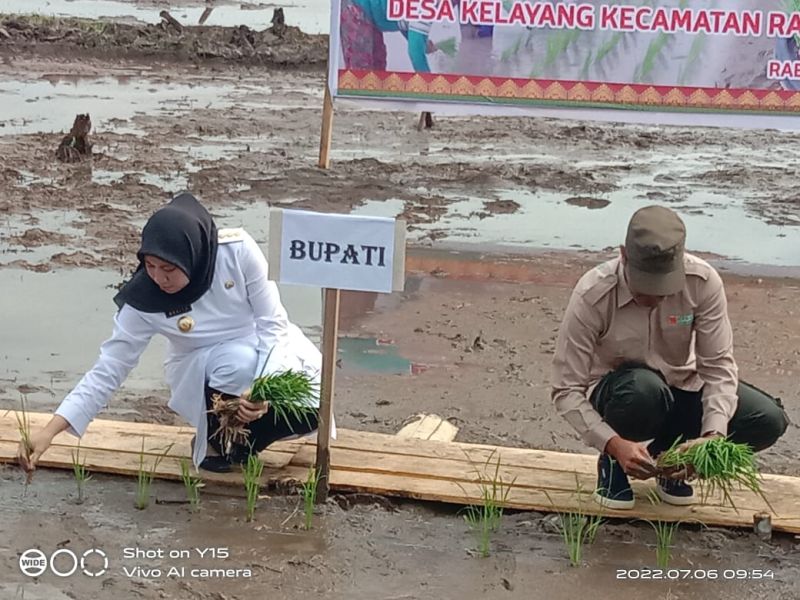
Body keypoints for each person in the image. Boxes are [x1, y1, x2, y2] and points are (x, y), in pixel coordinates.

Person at [17, 192, 322, 474]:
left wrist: (261, 391)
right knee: (236, 363)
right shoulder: (143, 300)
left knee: (313, 405)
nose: (159, 278)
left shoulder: (237, 252)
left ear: (193, 253)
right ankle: (218, 438)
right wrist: (49, 431)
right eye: (150, 265)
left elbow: (273, 325)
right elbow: (109, 369)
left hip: (265, 346)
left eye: (169, 268)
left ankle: (246, 442)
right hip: (203, 365)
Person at [551, 205, 789, 509]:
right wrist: (614, 443)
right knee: (643, 389)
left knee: (767, 419)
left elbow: (718, 368)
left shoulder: (702, 282)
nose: (654, 298)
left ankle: (669, 464)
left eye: (663, 289)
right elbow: (566, 389)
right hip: (624, 397)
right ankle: (615, 466)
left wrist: (712, 436)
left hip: (682, 386)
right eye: (644, 287)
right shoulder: (593, 294)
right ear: (623, 255)